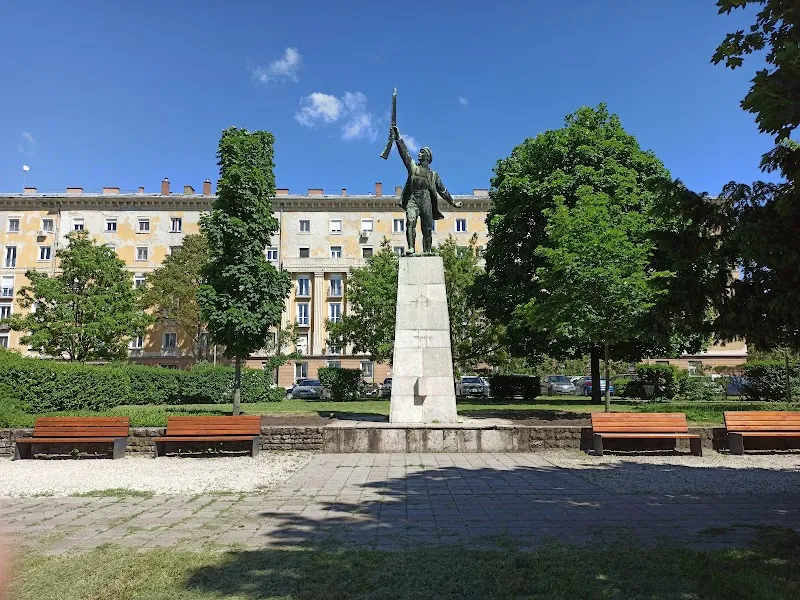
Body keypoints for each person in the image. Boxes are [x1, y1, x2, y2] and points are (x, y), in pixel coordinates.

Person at [390, 125, 462, 253]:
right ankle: (411, 247)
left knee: (427, 229)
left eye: (422, 152)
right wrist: (398, 138)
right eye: (420, 152)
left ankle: (427, 251)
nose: (419, 153)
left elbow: (443, 190)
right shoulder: (413, 168)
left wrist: (453, 202)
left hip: (426, 201)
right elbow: (404, 154)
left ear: (427, 157)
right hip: (413, 199)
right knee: (410, 222)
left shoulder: (433, 175)